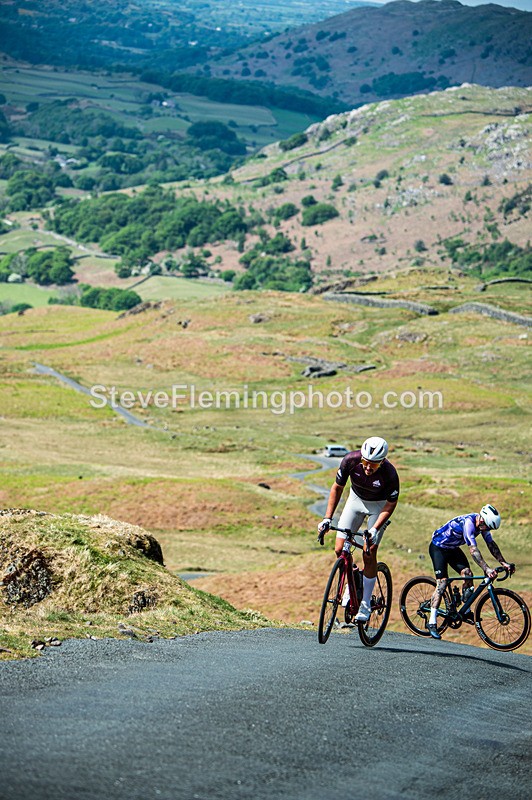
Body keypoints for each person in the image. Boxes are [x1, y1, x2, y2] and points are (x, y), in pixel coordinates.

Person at [317, 436, 399, 621]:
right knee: (340, 549)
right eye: (365, 462)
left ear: (382, 461)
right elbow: (337, 488)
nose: (368, 468)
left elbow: (391, 504)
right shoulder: (350, 460)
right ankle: (353, 580)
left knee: (369, 552)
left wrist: (375, 529)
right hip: (356, 500)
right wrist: (327, 518)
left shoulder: (390, 474)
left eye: (374, 464)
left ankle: (365, 604)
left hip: (379, 506)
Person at [427, 503, 514, 640]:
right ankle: (432, 622)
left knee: (468, 574)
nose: (487, 530)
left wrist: (503, 562)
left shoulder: (483, 525)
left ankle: (465, 610)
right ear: (482, 520)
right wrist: (486, 569)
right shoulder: (469, 524)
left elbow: (491, 544)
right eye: (487, 527)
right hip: (438, 548)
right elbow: (473, 550)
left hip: (452, 548)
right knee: (442, 583)